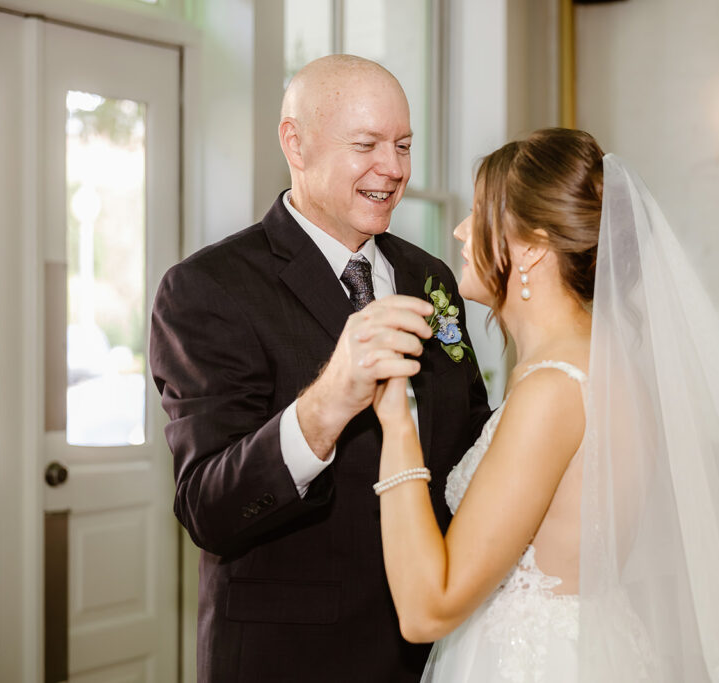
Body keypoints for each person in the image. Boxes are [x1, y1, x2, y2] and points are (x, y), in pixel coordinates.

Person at [370, 128, 719, 682]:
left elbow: (429, 607)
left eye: (479, 212)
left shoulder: (553, 391)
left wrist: (397, 420)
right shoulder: (610, 370)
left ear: (529, 244)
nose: (459, 230)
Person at [149, 55, 490, 682]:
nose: (393, 169)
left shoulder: (430, 277)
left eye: (404, 145)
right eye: (366, 144)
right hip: (296, 657)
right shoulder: (207, 288)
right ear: (295, 142)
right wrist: (327, 401)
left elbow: (469, 443)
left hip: (437, 645)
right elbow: (209, 510)